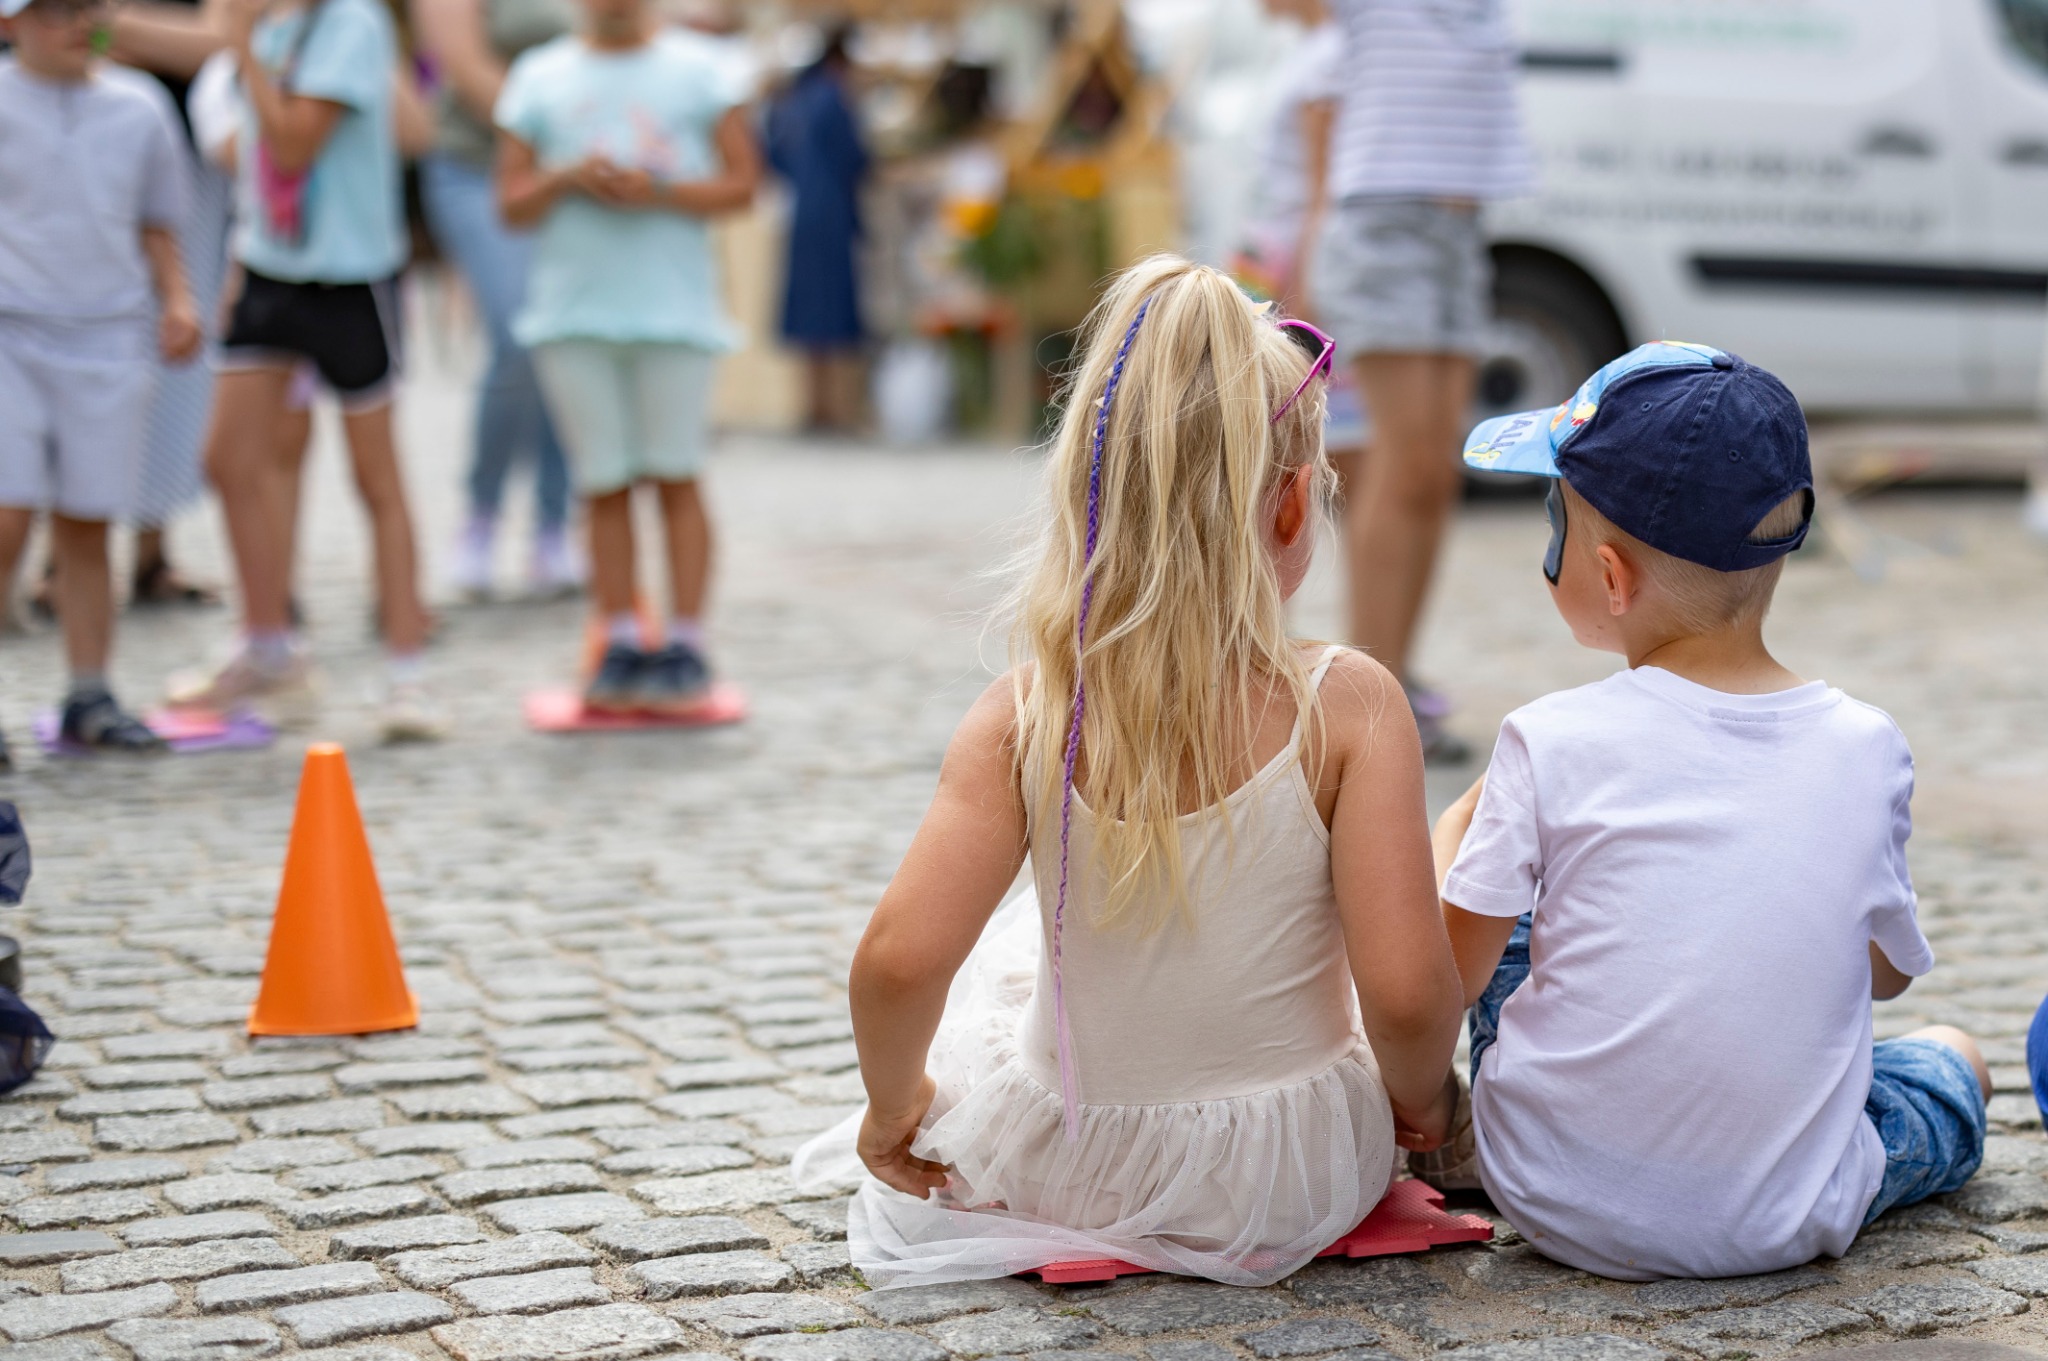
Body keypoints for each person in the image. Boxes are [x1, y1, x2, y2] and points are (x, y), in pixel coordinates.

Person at [791, 257, 1466, 1289]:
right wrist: (1418, 1105)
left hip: (1072, 1167)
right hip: (1281, 1176)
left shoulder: (1022, 715)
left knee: (1026, 949)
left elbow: (894, 962)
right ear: (1290, 510)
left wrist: (894, 1109)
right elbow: (1408, 996)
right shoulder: (1352, 704)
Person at [1426, 341, 1989, 1279]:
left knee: (1519, 895)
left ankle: (1480, 1132)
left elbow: (1446, 974)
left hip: (1548, 1187)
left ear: (1609, 578)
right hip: (1786, 1210)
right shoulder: (1867, 746)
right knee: (1950, 1058)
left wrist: (1454, 831)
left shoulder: (1547, 738)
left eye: (1552, 526)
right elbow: (1886, 979)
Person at [166, 0, 442, 740]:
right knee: (228, 458)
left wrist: (240, 52)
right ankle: (268, 647)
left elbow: (291, 146)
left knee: (375, 477)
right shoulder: (274, 22)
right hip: (269, 269)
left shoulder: (350, 22)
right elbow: (243, 139)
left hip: (351, 279)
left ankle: (408, 676)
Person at [494, 0, 760, 713]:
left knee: (676, 474)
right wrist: (565, 177)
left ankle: (686, 641)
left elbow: (743, 184)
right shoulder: (539, 74)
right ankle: (615, 635)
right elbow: (510, 201)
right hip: (575, 309)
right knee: (602, 481)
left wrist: (660, 189)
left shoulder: (703, 70)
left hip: (674, 310)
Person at [1319, 0, 1532, 762]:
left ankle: (1394, 682)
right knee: (1403, 464)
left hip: (1462, 228)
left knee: (1436, 475)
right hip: (1386, 226)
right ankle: (1366, 694)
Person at [0, 0, 203, 764]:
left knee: (89, 522)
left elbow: (159, 222)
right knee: (7, 517)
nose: (74, 25)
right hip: (10, 333)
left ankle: (91, 689)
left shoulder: (138, 107)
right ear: (10, 24)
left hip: (108, 335)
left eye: (86, 9)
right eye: (51, 11)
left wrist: (178, 299)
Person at [412, 0, 580, 602]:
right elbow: (465, 66)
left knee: (563, 342)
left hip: (567, 176)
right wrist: (569, 133)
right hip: (476, 167)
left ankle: (554, 522)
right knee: (518, 334)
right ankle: (482, 514)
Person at [1234, 0, 1366, 483]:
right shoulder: (1306, 51)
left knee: (1325, 439)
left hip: (1295, 264)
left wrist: (1308, 300)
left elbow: (1322, 192)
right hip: (1271, 259)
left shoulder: (1328, 57)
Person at [766, 25, 868, 433]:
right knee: (835, 312)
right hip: (833, 215)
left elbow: (772, 154)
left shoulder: (792, 100)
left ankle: (812, 405)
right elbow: (856, 158)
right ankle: (837, 408)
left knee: (809, 313)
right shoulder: (834, 98)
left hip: (800, 214)